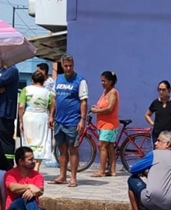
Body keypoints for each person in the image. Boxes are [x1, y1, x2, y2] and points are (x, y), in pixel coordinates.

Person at [4, 147, 91, 210]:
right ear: (21, 161)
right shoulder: (10, 174)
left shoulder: (38, 175)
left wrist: (34, 191)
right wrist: (29, 187)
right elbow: (12, 187)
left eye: (33, 158)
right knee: (27, 196)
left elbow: (39, 190)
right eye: (30, 159)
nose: (34, 161)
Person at [50, 53, 88, 187]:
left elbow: (83, 101)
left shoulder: (80, 80)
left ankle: (73, 177)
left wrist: (82, 120)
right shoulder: (58, 79)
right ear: (62, 65)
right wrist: (51, 115)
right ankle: (62, 175)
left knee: (73, 149)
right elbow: (54, 99)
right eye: (65, 66)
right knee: (61, 149)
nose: (68, 68)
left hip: (73, 121)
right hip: (59, 121)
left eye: (70, 66)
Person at [17, 70, 53, 172]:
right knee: (41, 141)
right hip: (42, 117)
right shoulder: (48, 92)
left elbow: (21, 106)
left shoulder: (26, 90)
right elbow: (51, 107)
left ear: (32, 80)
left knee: (28, 141)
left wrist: (20, 121)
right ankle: (37, 165)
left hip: (28, 116)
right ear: (43, 81)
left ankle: (27, 164)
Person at [89, 70, 120, 177]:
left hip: (109, 124)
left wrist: (96, 111)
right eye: (101, 81)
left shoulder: (113, 92)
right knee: (110, 147)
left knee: (102, 145)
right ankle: (112, 170)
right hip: (102, 123)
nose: (102, 83)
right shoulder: (105, 92)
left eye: (105, 81)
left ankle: (102, 171)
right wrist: (96, 107)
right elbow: (103, 105)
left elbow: (110, 108)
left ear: (111, 81)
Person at [145, 80, 171, 147]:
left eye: (164, 90)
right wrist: (152, 123)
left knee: (168, 154)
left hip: (169, 135)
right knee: (158, 154)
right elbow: (147, 115)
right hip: (157, 135)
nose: (161, 92)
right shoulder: (155, 102)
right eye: (159, 90)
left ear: (168, 90)